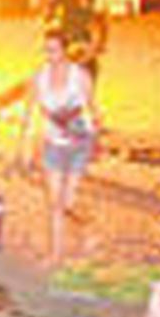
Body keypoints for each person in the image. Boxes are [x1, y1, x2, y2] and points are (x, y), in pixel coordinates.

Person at [18, 30, 101, 264]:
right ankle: (55, 253)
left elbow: (93, 110)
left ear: (64, 51)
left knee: (69, 202)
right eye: (46, 50)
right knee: (54, 202)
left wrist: (97, 139)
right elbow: (28, 114)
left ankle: (87, 225)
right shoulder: (38, 78)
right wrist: (24, 147)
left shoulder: (80, 76)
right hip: (53, 143)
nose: (49, 55)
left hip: (79, 142)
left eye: (54, 49)